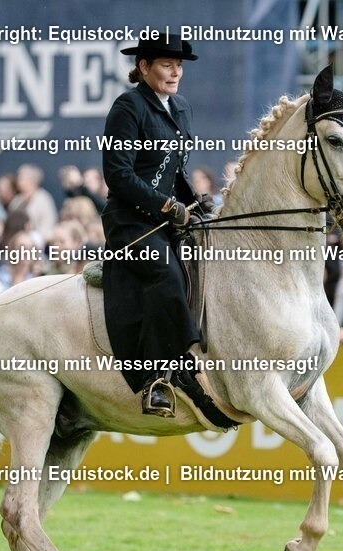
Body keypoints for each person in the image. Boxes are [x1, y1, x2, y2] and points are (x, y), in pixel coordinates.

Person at [100, 34, 206, 417]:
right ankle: (156, 380)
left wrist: (194, 199)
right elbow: (118, 175)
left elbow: (174, 170)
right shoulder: (128, 107)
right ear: (143, 67)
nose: (175, 71)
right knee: (167, 277)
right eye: (166, 64)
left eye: (178, 65)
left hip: (165, 219)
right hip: (129, 222)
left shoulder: (181, 109)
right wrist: (166, 204)